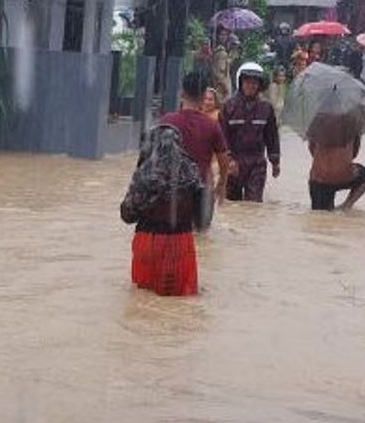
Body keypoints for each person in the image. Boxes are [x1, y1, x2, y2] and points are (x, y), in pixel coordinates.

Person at [120, 125, 204, 296]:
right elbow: (202, 217)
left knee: (143, 301)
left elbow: (127, 215)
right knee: (181, 301)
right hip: (182, 243)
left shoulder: (146, 173)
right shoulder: (192, 171)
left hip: (148, 242)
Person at [161, 71, 235, 225]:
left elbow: (155, 157)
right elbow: (223, 161)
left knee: (174, 234)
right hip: (202, 189)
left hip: (173, 189)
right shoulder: (212, 126)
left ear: (182, 92)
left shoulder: (167, 121)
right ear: (203, 95)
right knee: (202, 238)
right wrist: (222, 184)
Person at [221, 63, 281, 202]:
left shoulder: (266, 107)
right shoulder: (229, 106)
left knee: (253, 204)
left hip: (257, 162)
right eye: (247, 82)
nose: (251, 86)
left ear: (259, 85)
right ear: (241, 83)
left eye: (255, 83)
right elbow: (223, 137)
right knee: (232, 205)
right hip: (234, 161)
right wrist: (229, 160)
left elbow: (271, 136)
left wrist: (275, 162)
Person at [308, 132, 365, 211]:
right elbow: (354, 153)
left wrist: (325, 160)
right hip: (342, 174)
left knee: (321, 215)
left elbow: (312, 150)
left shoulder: (318, 128)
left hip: (319, 178)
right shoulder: (352, 129)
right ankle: (346, 205)